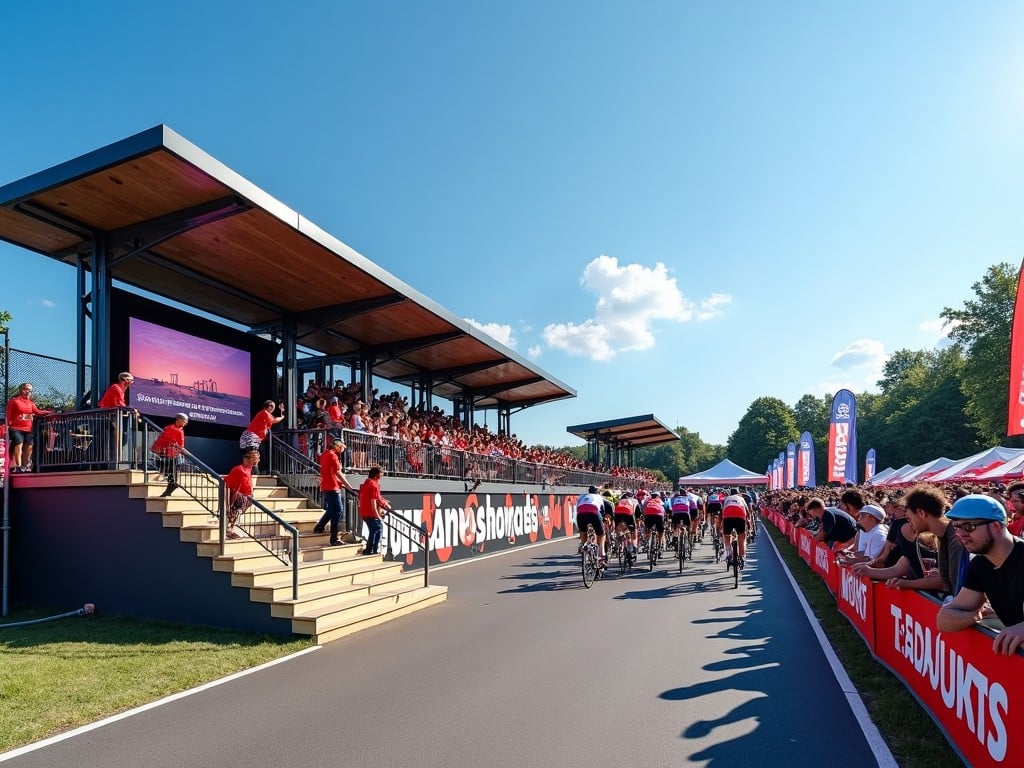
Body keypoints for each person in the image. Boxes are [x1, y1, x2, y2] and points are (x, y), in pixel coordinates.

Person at [937, 494, 1024, 655]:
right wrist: (975, 615)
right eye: (956, 526)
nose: (960, 534)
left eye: (969, 526)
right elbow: (944, 620)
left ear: (996, 526)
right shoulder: (980, 565)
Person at [313, 438, 354, 545]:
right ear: (337, 446)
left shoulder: (325, 454)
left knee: (332, 509)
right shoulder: (333, 456)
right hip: (333, 486)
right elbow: (337, 473)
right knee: (338, 510)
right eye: (342, 447)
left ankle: (320, 526)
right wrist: (348, 486)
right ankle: (333, 537)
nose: (343, 449)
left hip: (327, 485)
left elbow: (331, 472)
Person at [5, 382, 53, 472]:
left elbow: (38, 412)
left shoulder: (30, 403)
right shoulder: (14, 401)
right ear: (21, 390)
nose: (29, 392)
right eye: (27, 389)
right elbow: (8, 414)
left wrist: (50, 412)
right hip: (16, 428)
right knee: (19, 444)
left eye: (30, 390)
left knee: (29, 446)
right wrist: (7, 427)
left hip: (28, 428)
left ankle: (25, 466)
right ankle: (18, 466)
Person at [224, 448, 260, 539]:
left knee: (238, 511)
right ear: (247, 459)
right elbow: (228, 485)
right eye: (254, 458)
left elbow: (248, 483)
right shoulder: (239, 470)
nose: (257, 461)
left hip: (246, 497)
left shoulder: (248, 469)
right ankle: (229, 529)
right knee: (235, 511)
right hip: (238, 496)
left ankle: (230, 528)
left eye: (257, 458)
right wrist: (229, 502)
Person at [151, 413, 188, 497]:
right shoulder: (171, 429)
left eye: (186, 422)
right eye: (184, 421)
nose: (186, 423)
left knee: (172, 472)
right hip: (168, 454)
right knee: (170, 472)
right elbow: (163, 440)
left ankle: (169, 490)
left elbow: (180, 445)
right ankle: (171, 486)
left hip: (171, 454)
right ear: (178, 420)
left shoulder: (177, 430)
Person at [359, 465, 392, 555]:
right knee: (378, 528)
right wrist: (378, 515)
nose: (382, 475)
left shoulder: (366, 483)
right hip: (370, 513)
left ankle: (371, 549)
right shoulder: (374, 485)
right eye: (381, 473)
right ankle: (372, 549)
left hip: (364, 512)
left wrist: (384, 502)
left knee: (374, 529)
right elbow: (373, 503)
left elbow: (377, 497)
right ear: (377, 475)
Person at [575, 486, 607, 568]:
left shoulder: (581, 496)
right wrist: (603, 520)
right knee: (601, 534)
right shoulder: (599, 497)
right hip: (594, 512)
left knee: (583, 532)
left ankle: (583, 546)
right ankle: (601, 554)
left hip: (580, 513)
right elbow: (602, 512)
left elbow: (577, 509)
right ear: (597, 492)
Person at [720, 488, 750, 567]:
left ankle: (730, 553)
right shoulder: (741, 498)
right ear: (738, 493)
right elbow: (747, 511)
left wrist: (721, 524)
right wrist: (749, 523)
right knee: (741, 537)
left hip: (727, 515)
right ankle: (741, 556)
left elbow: (722, 511)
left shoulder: (727, 498)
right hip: (740, 515)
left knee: (726, 536)